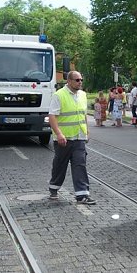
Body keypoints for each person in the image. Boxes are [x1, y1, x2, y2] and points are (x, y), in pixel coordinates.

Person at [48, 71, 96, 205]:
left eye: (81, 79)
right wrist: (59, 134)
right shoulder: (59, 95)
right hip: (64, 139)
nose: (80, 82)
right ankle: (54, 188)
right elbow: (52, 117)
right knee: (60, 165)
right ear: (69, 81)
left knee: (80, 164)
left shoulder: (83, 95)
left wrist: (86, 131)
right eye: (77, 80)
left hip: (79, 138)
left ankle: (82, 195)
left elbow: (83, 114)